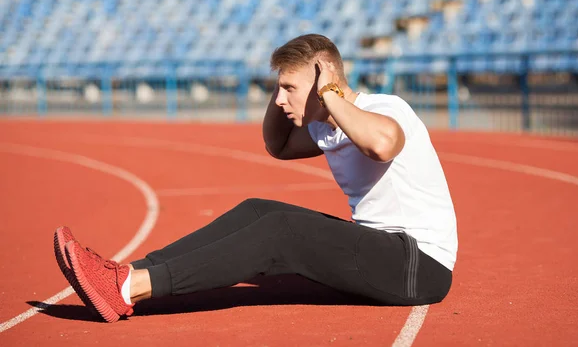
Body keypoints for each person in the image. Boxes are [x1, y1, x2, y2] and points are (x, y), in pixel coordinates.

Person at [54, 34, 458, 323]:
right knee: (256, 210)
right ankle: (125, 275)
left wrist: (330, 90)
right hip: (383, 252)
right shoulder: (324, 126)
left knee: (281, 230)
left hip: (417, 264)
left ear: (324, 82)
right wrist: (287, 90)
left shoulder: (385, 107)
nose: (280, 99)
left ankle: (131, 289)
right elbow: (278, 147)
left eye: (288, 88)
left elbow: (383, 145)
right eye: (277, 88)